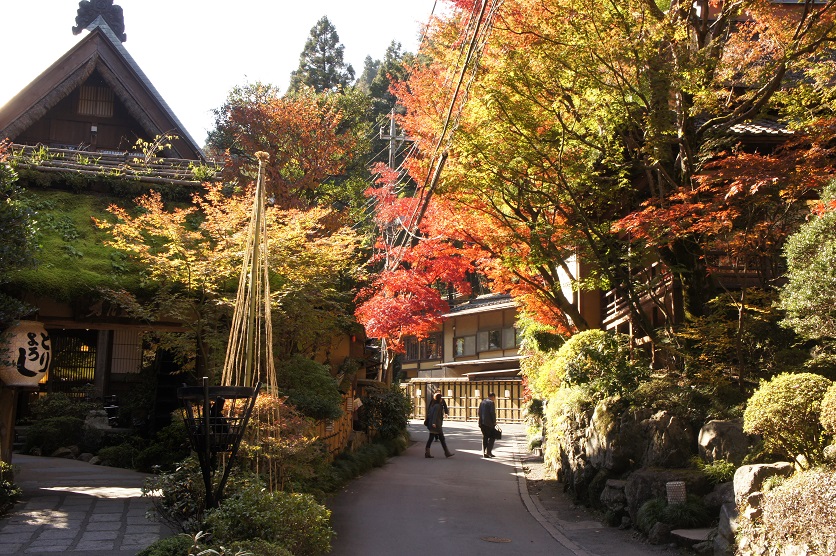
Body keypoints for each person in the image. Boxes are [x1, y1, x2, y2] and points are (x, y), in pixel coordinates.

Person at [425, 392, 454, 458]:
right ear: (439, 398)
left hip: (433, 424)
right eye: (441, 398)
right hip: (436, 425)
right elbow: (435, 415)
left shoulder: (433, 405)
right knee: (440, 438)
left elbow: (430, 413)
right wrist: (434, 423)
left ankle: (428, 452)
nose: (442, 399)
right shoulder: (438, 406)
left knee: (433, 438)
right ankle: (446, 452)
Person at [478, 392, 497, 458]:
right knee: (492, 437)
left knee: (485, 437)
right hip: (489, 423)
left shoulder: (482, 402)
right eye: (494, 398)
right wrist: (494, 421)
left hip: (482, 422)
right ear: (493, 397)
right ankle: (488, 451)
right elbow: (492, 413)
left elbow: (479, 412)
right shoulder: (491, 403)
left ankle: (484, 452)